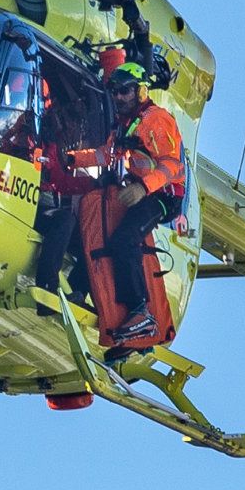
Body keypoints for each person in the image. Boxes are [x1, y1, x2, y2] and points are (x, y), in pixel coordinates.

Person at [95, 50, 185, 352]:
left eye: (125, 91)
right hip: (140, 192)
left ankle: (141, 311)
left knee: (125, 238)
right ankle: (113, 308)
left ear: (140, 90)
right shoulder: (123, 124)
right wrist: (67, 159)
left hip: (163, 196)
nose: (119, 97)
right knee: (104, 238)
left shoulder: (154, 120)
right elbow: (102, 155)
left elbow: (171, 165)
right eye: (115, 92)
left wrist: (144, 188)